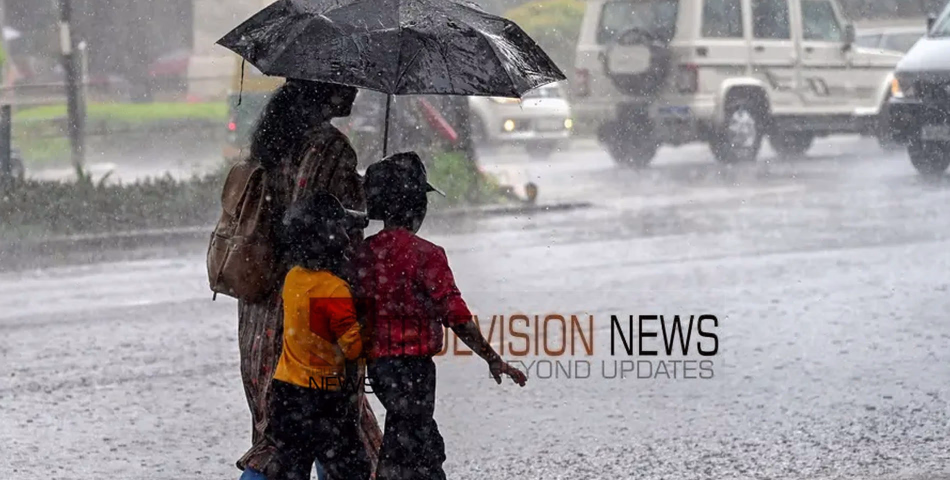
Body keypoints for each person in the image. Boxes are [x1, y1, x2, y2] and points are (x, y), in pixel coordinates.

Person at [236, 79, 381, 479]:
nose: (356, 90)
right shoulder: (331, 148)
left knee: (278, 431)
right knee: (338, 428)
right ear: (326, 88)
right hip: (315, 307)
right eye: (348, 81)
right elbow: (341, 227)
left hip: (262, 306)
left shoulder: (272, 140)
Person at [356, 152, 528, 480]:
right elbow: (457, 316)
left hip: (377, 369)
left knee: (407, 437)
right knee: (415, 447)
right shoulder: (427, 255)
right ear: (417, 207)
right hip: (415, 370)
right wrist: (492, 358)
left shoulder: (363, 253)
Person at [243, 192, 371, 480]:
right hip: (324, 392)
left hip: (287, 393)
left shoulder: (293, 278)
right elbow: (353, 349)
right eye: (342, 228)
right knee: (349, 465)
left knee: (290, 465)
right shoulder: (335, 289)